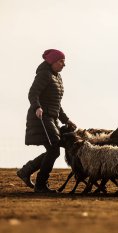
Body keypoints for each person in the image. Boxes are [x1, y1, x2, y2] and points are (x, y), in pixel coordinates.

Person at [17, 49, 77, 193]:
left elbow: (56, 103)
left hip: (51, 117)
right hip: (40, 117)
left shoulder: (56, 77)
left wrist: (66, 120)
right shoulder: (44, 74)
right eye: (61, 61)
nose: (64, 64)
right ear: (52, 62)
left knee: (53, 150)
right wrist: (37, 107)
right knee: (54, 149)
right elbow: (33, 93)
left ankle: (26, 171)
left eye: (64, 61)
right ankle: (40, 185)